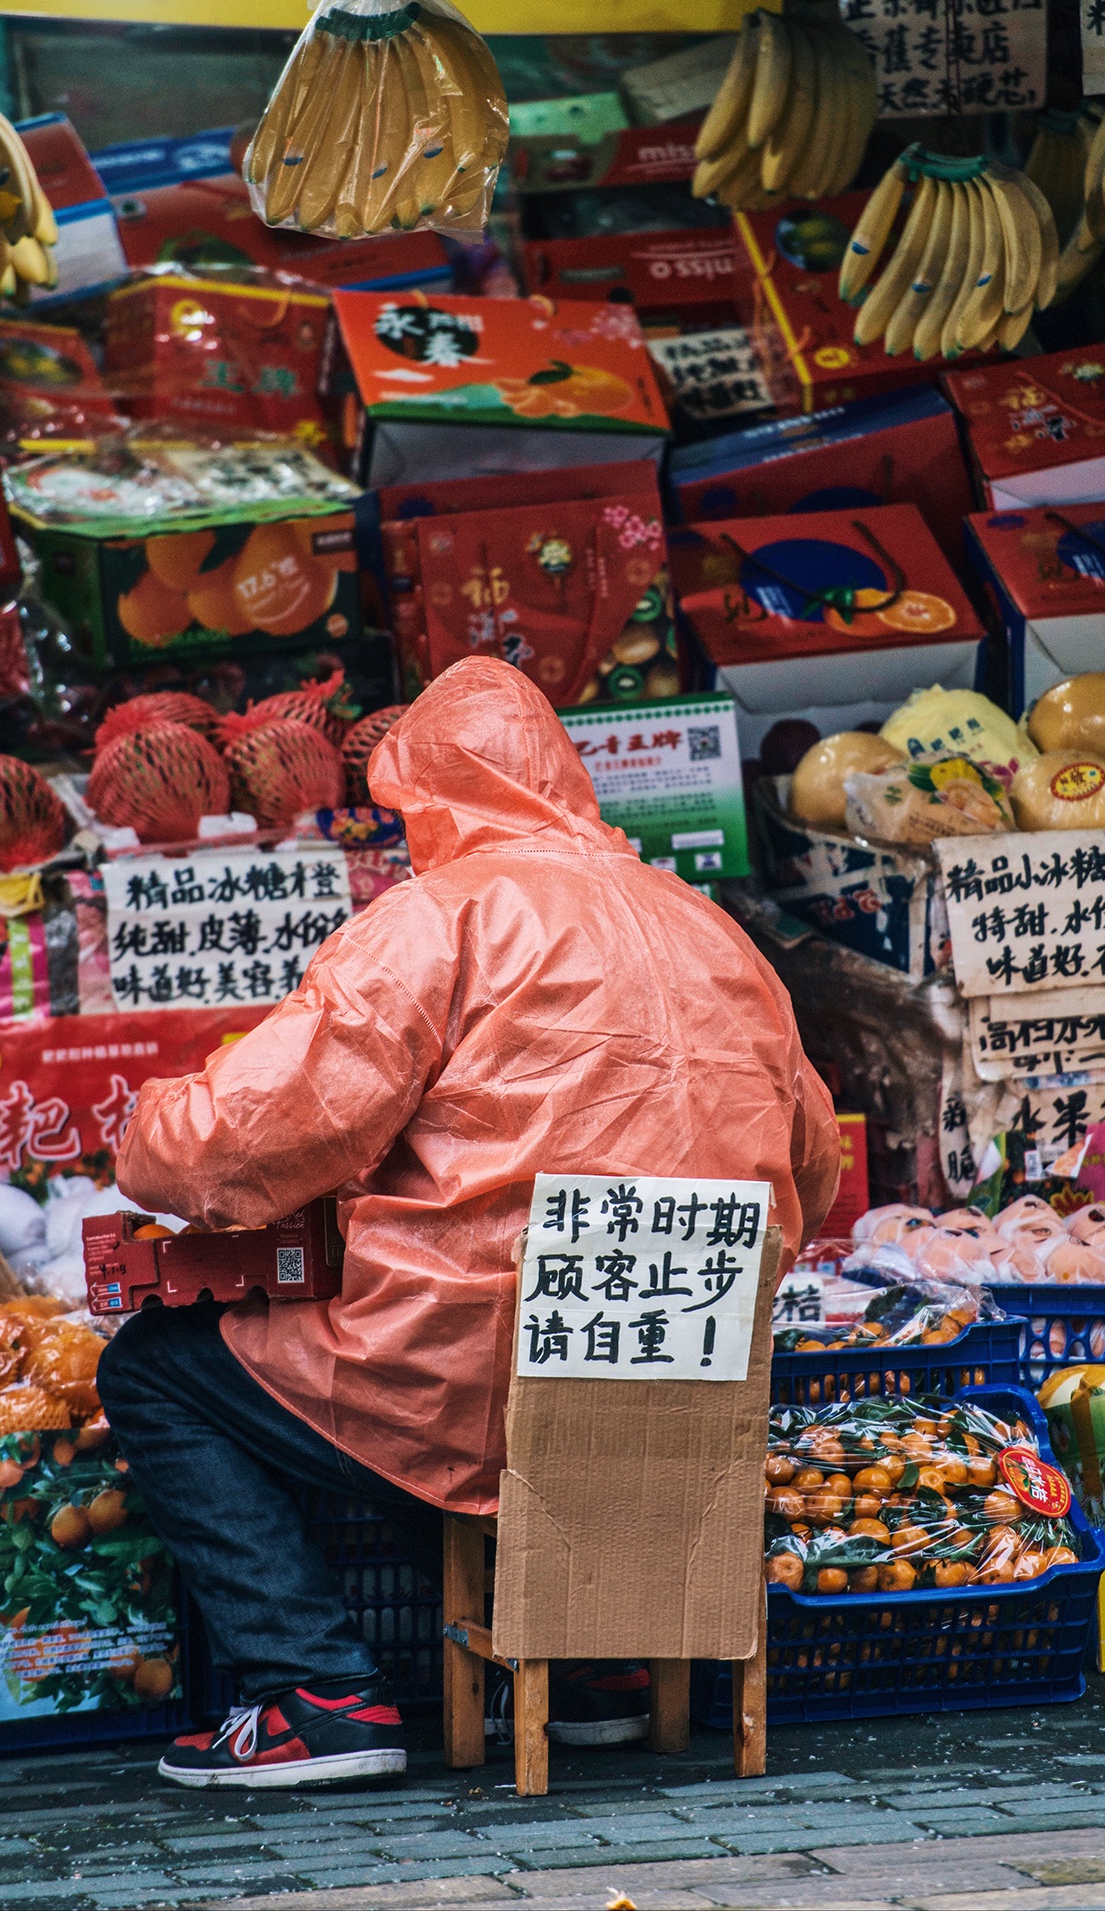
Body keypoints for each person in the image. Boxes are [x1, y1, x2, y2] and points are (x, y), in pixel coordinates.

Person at [97, 657, 840, 1787]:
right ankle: (593, 1669)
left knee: (157, 1367)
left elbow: (252, 1132)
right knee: (459, 1392)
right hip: (675, 1386)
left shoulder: (442, 919)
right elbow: (815, 1169)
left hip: (466, 1380)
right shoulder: (714, 931)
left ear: (437, 798)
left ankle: (315, 1692)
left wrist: (147, 1126)